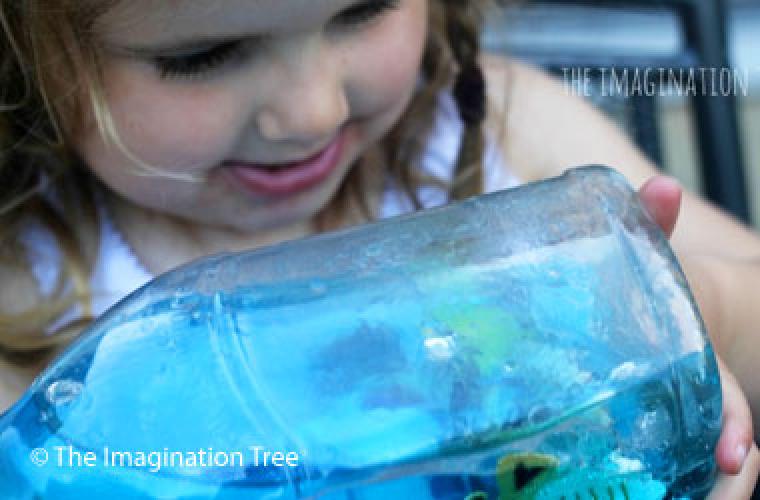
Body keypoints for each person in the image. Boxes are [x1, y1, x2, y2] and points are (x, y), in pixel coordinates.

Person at [0, 0, 757, 497]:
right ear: (31, 57)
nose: (311, 110)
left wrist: (699, 308)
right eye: (204, 56)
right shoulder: (27, 327)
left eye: (363, 9)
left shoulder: (500, 129)